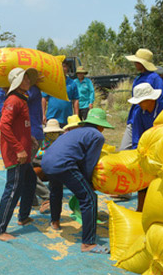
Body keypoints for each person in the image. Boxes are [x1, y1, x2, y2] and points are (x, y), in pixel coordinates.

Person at [41, 108, 114, 254]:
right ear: (101, 126)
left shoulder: (74, 131)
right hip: (63, 165)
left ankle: (55, 222)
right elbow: (89, 163)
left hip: (47, 163)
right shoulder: (97, 136)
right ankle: (88, 243)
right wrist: (89, 184)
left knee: (55, 190)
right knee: (89, 198)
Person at [0, 67, 39, 242]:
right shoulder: (13, 100)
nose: (28, 82)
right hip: (17, 156)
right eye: (25, 79)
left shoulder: (21, 99)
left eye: (28, 79)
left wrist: (30, 138)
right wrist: (19, 148)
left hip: (24, 154)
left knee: (31, 181)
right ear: (17, 82)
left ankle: (23, 216)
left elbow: (19, 126)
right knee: (13, 190)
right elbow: (4, 126)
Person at [128, 82, 163, 211]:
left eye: (140, 101)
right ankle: (140, 210)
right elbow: (137, 136)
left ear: (150, 100)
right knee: (143, 180)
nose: (138, 104)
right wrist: (137, 152)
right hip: (147, 151)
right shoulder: (139, 113)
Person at [120, 48, 163, 150]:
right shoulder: (138, 78)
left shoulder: (155, 79)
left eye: (137, 61)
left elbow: (160, 100)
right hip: (135, 118)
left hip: (152, 119)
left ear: (142, 63)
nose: (134, 63)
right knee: (125, 149)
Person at [28, 84, 51, 212]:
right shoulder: (32, 89)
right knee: (26, 168)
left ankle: (47, 196)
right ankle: (31, 199)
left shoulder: (32, 89)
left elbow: (22, 98)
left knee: (25, 170)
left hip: (33, 135)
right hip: (32, 133)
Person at [42, 60, 79, 127]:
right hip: (52, 118)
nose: (62, 69)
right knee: (52, 137)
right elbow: (44, 98)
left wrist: (76, 116)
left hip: (67, 119)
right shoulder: (50, 82)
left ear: (67, 68)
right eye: (59, 67)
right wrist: (43, 114)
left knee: (67, 137)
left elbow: (75, 100)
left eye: (64, 66)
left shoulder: (72, 83)